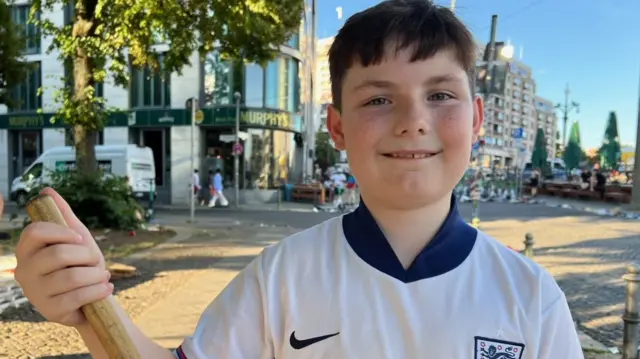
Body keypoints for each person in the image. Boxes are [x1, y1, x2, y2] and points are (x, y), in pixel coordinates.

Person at [13, 1, 582, 358]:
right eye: (379, 98)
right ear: (336, 126)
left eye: (440, 95)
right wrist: (89, 305)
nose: (413, 121)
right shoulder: (280, 277)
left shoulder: (531, 298)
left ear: (477, 118)